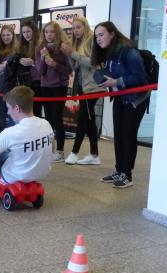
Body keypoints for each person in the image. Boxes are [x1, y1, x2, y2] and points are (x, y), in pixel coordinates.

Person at [91, 21, 150, 188]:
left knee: (128, 135)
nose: (98, 39)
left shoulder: (129, 52)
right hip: (120, 97)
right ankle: (119, 170)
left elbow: (139, 77)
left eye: (101, 35)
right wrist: (107, 81)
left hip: (136, 99)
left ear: (112, 34)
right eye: (96, 37)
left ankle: (127, 175)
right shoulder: (111, 53)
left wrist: (115, 81)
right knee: (119, 135)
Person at [0, 86, 53, 184]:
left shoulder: (9, 133)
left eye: (9, 108)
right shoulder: (46, 124)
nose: (8, 112)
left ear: (17, 108)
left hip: (14, 176)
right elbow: (52, 149)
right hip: (42, 174)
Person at [61, 17, 105, 165]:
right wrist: (68, 53)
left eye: (78, 27)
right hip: (82, 86)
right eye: (73, 28)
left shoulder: (93, 40)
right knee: (90, 120)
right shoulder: (77, 42)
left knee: (82, 119)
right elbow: (74, 67)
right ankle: (94, 155)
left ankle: (74, 153)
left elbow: (93, 62)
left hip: (93, 87)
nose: (75, 31)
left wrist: (72, 53)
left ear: (85, 27)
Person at [36, 21, 72, 162]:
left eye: (52, 32)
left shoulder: (63, 48)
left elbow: (68, 70)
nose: (49, 35)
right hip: (45, 86)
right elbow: (40, 71)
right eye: (46, 32)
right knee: (48, 120)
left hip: (59, 86)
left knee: (57, 118)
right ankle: (49, 149)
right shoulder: (40, 48)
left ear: (57, 33)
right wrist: (45, 59)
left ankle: (60, 151)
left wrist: (54, 64)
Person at [0, 25, 18, 133]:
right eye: (3, 35)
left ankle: (12, 138)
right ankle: (1, 139)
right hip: (0, 86)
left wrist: (8, 66)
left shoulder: (17, 50)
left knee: (12, 114)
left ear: (13, 35)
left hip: (12, 87)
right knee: (0, 115)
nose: (6, 37)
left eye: (8, 35)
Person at [18, 20, 42, 117]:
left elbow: (45, 66)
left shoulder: (40, 45)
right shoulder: (22, 46)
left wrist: (32, 63)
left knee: (36, 110)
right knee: (27, 111)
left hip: (38, 82)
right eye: (24, 32)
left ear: (34, 31)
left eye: (28, 31)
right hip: (26, 82)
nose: (26, 35)